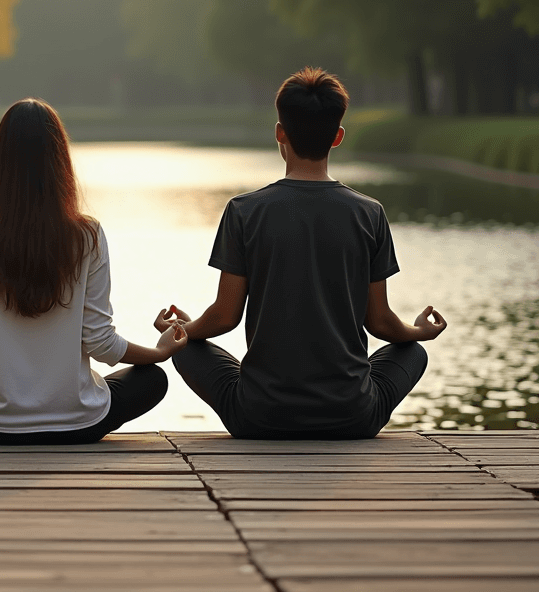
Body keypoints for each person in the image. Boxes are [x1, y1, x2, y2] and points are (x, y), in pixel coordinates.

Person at [159, 67, 447, 439]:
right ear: (338, 136)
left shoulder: (244, 211)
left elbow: (224, 317)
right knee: (412, 352)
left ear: (280, 132)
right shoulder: (369, 213)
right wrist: (417, 331)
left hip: (259, 418)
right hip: (351, 417)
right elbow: (379, 323)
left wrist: (182, 329)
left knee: (184, 348)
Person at [0, 98, 188, 444]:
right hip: (79, 425)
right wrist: (159, 352)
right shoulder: (88, 236)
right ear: (60, 162)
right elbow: (100, 343)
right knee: (153, 380)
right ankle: (61, 415)